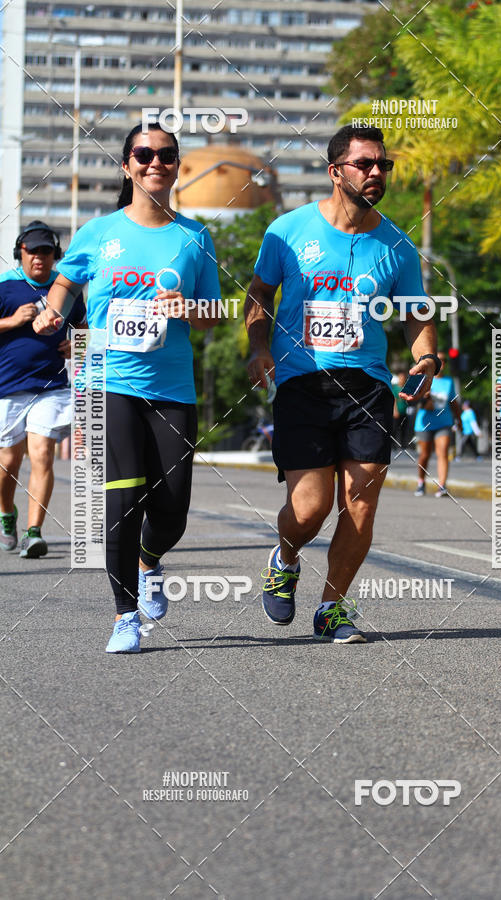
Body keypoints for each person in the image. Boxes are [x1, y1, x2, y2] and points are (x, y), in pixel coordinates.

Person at [244, 124, 438, 643]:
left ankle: (332, 606)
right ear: (335, 172)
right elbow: (259, 293)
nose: (377, 172)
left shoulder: (396, 242)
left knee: (362, 501)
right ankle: (284, 556)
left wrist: (426, 357)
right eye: (364, 164)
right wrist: (258, 347)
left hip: (369, 384)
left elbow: (416, 313)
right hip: (303, 381)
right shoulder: (287, 230)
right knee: (310, 509)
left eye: (383, 165)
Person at [33, 123, 221, 653]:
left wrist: (190, 308)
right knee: (120, 500)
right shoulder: (98, 232)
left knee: (172, 506)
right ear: (126, 164)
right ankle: (124, 616)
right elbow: (68, 280)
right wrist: (53, 312)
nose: (154, 161)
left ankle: (149, 561)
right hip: (105, 379)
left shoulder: (194, 237)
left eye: (165, 154)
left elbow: (213, 313)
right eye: (143, 153)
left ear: (177, 166)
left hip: (171, 387)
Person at [0, 221, 86, 557]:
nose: (39, 258)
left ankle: (34, 532)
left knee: (41, 454)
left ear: (56, 255)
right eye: (32, 251)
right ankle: (7, 513)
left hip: (51, 388)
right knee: (8, 462)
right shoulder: (5, 289)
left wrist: (78, 344)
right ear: (20, 253)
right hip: (7, 389)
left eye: (46, 252)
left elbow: (84, 329)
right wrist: (12, 321)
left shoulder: (66, 290)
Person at [413, 352, 462, 497]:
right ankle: (421, 482)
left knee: (443, 452)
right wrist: (423, 399)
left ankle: (442, 485)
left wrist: (459, 420)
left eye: (444, 360)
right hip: (424, 423)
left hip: (444, 422)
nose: (442, 363)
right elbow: (410, 399)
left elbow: (453, 402)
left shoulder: (449, 381)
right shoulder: (423, 378)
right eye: (439, 360)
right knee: (425, 455)